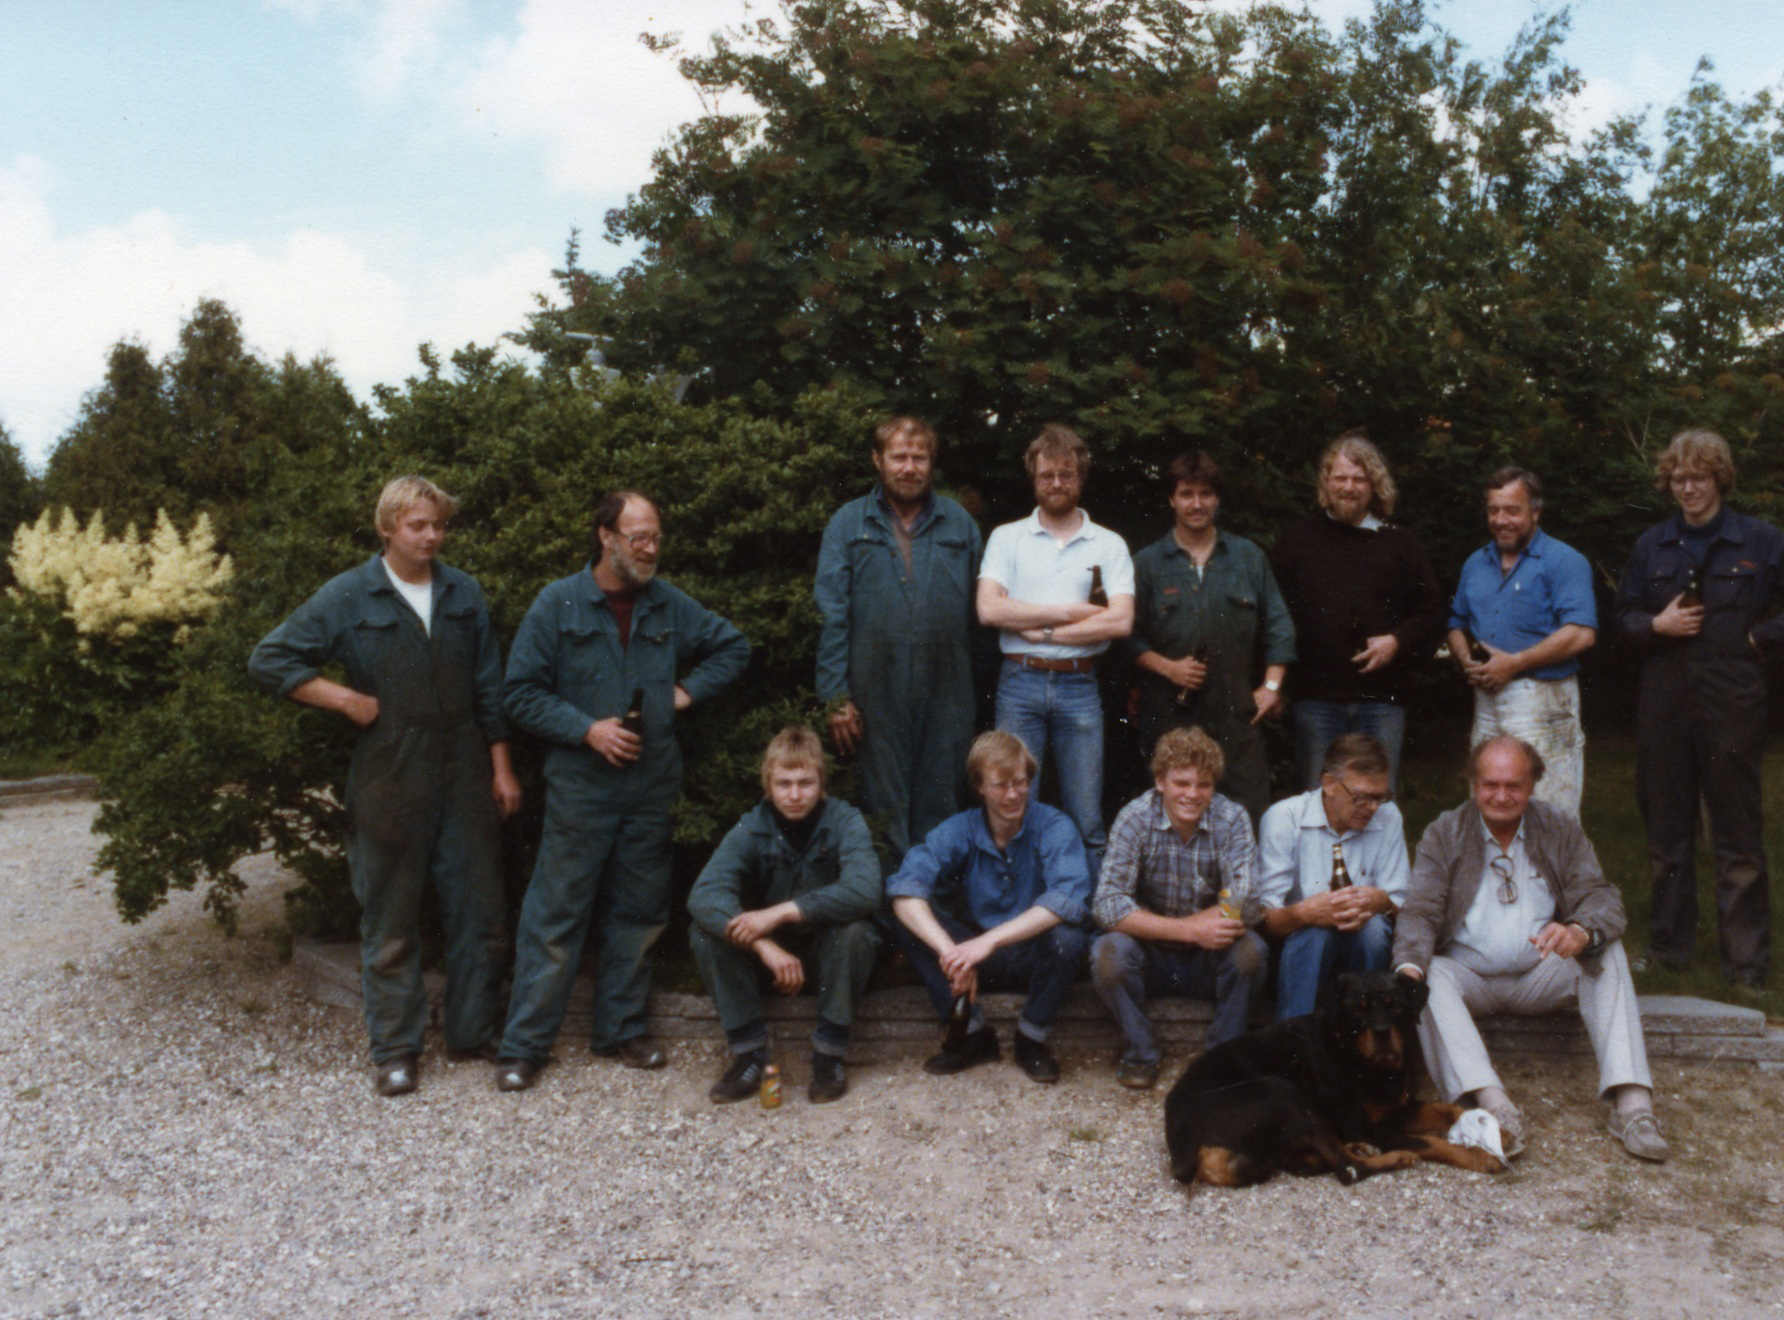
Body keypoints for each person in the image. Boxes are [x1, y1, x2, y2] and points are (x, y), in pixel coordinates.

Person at [248, 476, 522, 1097]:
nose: (431, 537)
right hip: (390, 770)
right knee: (391, 916)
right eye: (417, 525)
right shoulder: (349, 594)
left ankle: (472, 1030)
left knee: (481, 912)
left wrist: (502, 768)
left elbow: (489, 687)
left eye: (439, 525)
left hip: (466, 768)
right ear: (388, 527)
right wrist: (344, 698)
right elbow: (270, 659)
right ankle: (395, 1049)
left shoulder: (463, 591)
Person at [494, 490, 750, 1090]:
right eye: (639, 538)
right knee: (555, 915)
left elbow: (733, 646)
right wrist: (586, 730)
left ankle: (622, 1029)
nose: (651, 549)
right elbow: (519, 693)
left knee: (639, 912)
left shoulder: (668, 603)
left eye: (656, 537)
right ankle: (524, 1046)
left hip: (651, 786)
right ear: (605, 537)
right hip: (581, 789)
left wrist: (680, 695)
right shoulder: (558, 603)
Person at [1393, 736, 1667, 1162]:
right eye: (1491, 785)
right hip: (1469, 977)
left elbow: (1600, 897)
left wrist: (1579, 931)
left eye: (1514, 786)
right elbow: (1420, 910)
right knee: (1428, 976)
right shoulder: (1445, 833)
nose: (1502, 796)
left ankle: (1632, 1104)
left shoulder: (1558, 827)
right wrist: (1408, 969)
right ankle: (1493, 1106)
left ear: (1532, 785)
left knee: (1607, 953)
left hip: (1540, 973)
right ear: (1474, 784)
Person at [1615, 429, 1784, 989]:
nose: (1688, 489)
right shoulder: (1652, 545)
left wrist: (1761, 640)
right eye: (1678, 479)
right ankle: (1669, 950)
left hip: (1733, 698)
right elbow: (1623, 618)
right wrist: (1655, 625)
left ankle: (1746, 966)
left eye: (1699, 478)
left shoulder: (1761, 541)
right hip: (1664, 698)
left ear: (1720, 479)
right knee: (1667, 831)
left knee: (1738, 834)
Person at [814, 416, 982, 866]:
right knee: (882, 805)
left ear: (932, 461)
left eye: (919, 457)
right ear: (878, 460)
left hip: (948, 688)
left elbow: (980, 618)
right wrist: (835, 698)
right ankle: (891, 903)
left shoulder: (960, 525)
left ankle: (933, 900)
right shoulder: (848, 523)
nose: (909, 467)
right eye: (899, 457)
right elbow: (830, 615)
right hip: (873, 689)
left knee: (942, 801)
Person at [687, 727, 882, 1105]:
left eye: (805, 783)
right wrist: (762, 944)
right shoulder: (752, 825)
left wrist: (779, 913)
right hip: (770, 962)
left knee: (856, 932)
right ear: (768, 785)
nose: (794, 795)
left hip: (827, 958)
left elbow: (865, 889)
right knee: (705, 931)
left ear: (821, 783)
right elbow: (704, 893)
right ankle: (749, 1054)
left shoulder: (845, 820)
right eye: (783, 784)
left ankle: (829, 1055)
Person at [887, 731, 1094, 1084]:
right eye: (1000, 785)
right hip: (980, 961)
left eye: (1020, 782)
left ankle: (1031, 1038)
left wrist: (988, 941)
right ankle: (974, 1036)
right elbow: (905, 889)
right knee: (908, 922)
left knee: (1069, 936)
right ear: (979, 786)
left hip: (1033, 954)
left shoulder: (1053, 825)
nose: (1013, 794)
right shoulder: (961, 828)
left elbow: (1068, 897)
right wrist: (951, 952)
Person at [977, 424, 1134, 865]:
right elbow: (988, 609)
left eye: (1066, 474)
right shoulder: (1007, 538)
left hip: (1079, 685)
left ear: (1081, 477)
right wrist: (1069, 612)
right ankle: (1018, 901)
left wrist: (1040, 631)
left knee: (1086, 816)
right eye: (1047, 475)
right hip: (1019, 681)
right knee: (1012, 807)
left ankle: (1094, 904)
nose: (1057, 483)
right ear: (1034, 477)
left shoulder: (1109, 544)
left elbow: (1120, 620)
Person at [1090, 726, 1267, 1089]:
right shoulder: (1135, 818)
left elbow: (1248, 899)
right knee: (1107, 954)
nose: (1192, 794)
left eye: (1203, 784)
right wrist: (1189, 930)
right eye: (1181, 783)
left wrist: (1205, 929)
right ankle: (1141, 1052)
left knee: (1251, 952)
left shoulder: (1231, 818)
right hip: (1150, 955)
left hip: (1210, 954)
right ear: (1160, 781)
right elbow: (1106, 904)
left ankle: (1222, 1057)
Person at [1271, 430, 1445, 792]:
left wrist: (1396, 641)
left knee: (1376, 802)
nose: (1348, 487)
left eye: (1359, 479)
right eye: (1340, 478)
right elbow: (1274, 618)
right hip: (1315, 700)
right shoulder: (1297, 541)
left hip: (1382, 701)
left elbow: (1432, 610)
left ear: (1374, 485)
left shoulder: (1399, 543)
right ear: (1326, 482)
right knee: (1317, 801)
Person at [1128, 450, 1294, 825]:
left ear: (1217, 498)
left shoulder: (1247, 557)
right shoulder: (1147, 564)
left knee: (1248, 816)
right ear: (1172, 499)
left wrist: (1271, 686)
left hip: (1236, 715)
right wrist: (1169, 668)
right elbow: (1126, 636)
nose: (1197, 504)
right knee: (1172, 818)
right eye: (1186, 494)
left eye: (1205, 493)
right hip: (1169, 715)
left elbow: (1279, 625)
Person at [1447, 467, 1597, 815]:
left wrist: (1515, 663)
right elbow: (1455, 624)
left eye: (1512, 510)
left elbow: (1582, 632)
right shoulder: (1475, 563)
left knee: (1548, 811)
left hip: (1543, 697)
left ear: (1536, 511)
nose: (1501, 520)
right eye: (1493, 510)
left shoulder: (1564, 561)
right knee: (1488, 804)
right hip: (1486, 698)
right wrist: (1465, 659)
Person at [1256, 733, 1409, 1019]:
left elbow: (1404, 908)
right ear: (1328, 784)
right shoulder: (1284, 817)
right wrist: (1304, 913)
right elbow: (1265, 920)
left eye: (1379, 797)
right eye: (1361, 797)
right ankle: (1295, 1034)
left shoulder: (1388, 816)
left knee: (1374, 929)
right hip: (1297, 950)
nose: (1372, 808)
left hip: (1363, 947)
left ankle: (1370, 1027)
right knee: (1314, 933)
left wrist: (1380, 901)